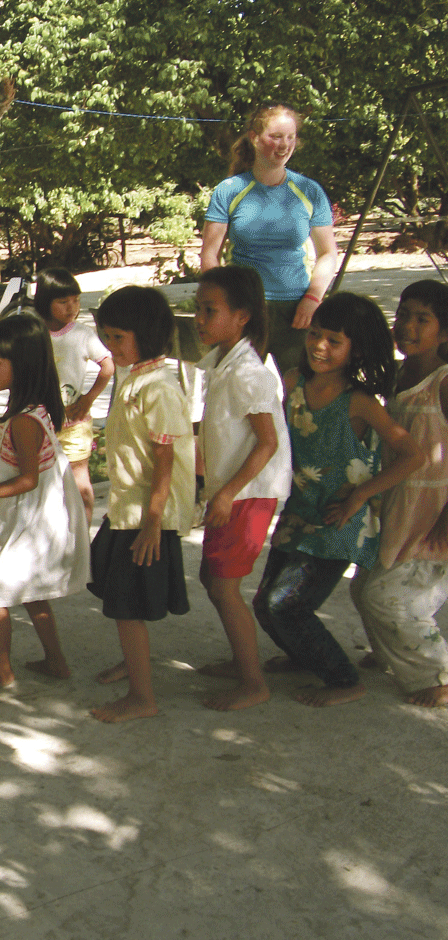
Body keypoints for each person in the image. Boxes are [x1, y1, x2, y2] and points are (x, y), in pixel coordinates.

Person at [255, 293, 422, 707]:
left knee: (285, 604)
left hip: (337, 523)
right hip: (298, 514)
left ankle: (345, 680)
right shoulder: (293, 381)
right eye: (315, 334)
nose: (319, 346)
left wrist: (361, 497)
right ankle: (304, 656)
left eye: (334, 340)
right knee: (264, 603)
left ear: (356, 351)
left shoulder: (360, 402)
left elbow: (413, 456)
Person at [0, 313, 89, 692]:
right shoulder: (29, 411)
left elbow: (27, 477)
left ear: (21, 365)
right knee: (33, 593)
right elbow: (12, 453)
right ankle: (56, 661)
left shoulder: (26, 419)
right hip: (32, 519)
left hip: (29, 520)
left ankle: (1, 669)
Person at [85, 287, 196, 723]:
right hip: (126, 508)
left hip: (146, 516)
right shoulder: (136, 377)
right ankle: (133, 666)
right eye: (107, 337)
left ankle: (142, 697)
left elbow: (166, 460)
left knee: (127, 606)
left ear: (146, 335)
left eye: (118, 338)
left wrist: (153, 523)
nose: (111, 348)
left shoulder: (159, 387)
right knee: (116, 593)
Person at [190, 266, 293, 713]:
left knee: (224, 586)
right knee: (213, 579)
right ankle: (241, 661)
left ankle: (254, 682)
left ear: (242, 315)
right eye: (197, 308)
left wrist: (228, 493)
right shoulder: (219, 362)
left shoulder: (249, 372)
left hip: (249, 493)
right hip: (232, 490)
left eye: (209, 310)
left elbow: (267, 443)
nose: (198, 318)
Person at [349, 281, 448, 707]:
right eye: (403, 314)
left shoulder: (443, 382)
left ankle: (435, 674)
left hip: (431, 514)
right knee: (363, 588)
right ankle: (390, 652)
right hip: (397, 505)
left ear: (444, 332)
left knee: (388, 596)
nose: (407, 325)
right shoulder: (397, 375)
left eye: (422, 319)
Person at [200, 103, 338, 374]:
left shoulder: (309, 190)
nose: (284, 145)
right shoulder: (230, 190)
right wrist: (222, 305)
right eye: (275, 137)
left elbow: (328, 253)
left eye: (290, 137)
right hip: (245, 311)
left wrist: (313, 298)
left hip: (296, 313)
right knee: (235, 393)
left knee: (301, 396)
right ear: (254, 137)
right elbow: (209, 254)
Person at [34, 268, 114, 522]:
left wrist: (88, 399)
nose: (72, 307)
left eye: (76, 300)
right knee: (40, 482)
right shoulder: (32, 331)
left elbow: (108, 365)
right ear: (45, 302)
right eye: (63, 302)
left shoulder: (82, 334)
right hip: (37, 422)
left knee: (80, 482)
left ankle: (82, 537)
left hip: (73, 423)